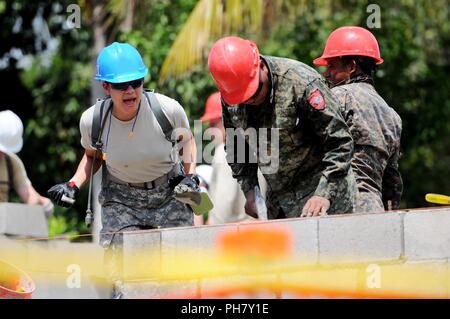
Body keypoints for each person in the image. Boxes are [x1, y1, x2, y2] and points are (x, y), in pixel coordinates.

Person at [47, 42, 198, 298]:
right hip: (121, 199)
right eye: (120, 85)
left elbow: (188, 141)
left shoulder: (167, 109)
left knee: (181, 276)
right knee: (124, 279)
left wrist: (190, 176)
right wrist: (72, 185)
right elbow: (92, 156)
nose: (130, 91)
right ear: (106, 86)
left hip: (170, 192)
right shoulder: (93, 120)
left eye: (136, 82)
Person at [207, 36, 357, 219]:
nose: (250, 101)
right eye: (242, 97)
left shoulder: (300, 82)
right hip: (279, 205)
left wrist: (324, 193)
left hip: (325, 200)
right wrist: (250, 191)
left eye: (254, 91)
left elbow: (339, 141)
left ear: (260, 65)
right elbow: (237, 149)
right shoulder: (231, 95)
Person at [313, 26, 403, 212]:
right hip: (373, 210)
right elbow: (392, 181)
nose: (326, 73)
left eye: (331, 66)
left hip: (337, 209)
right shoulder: (392, 115)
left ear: (352, 67)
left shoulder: (338, 97)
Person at [199, 92, 255, 224]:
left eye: (213, 124)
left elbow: (221, 211)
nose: (210, 130)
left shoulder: (223, 153)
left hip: (233, 236)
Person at [0, 110, 54, 217]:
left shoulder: (10, 162)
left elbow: (28, 195)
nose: (2, 153)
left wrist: (41, 202)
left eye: (4, 150)